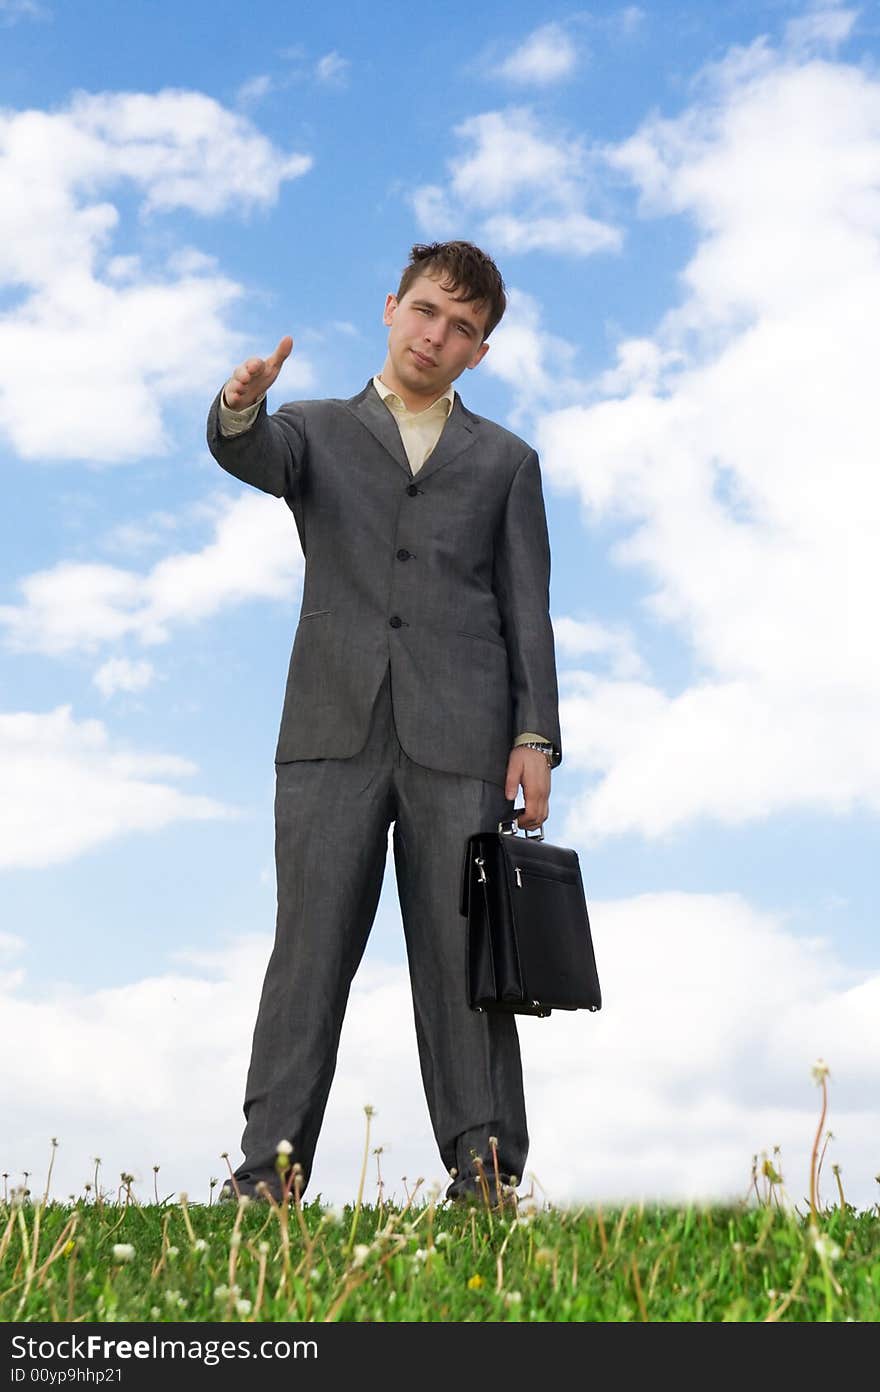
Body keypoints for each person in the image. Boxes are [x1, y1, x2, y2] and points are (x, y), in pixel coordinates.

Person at [207, 240, 562, 1205]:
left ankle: (485, 1173)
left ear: (479, 353)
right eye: (426, 313)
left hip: (465, 738)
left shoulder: (506, 462)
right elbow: (249, 451)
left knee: (465, 961)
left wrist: (534, 739)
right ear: (391, 308)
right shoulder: (313, 428)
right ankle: (267, 1175)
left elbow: (526, 610)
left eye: (463, 330)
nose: (437, 337)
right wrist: (240, 404)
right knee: (309, 951)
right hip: (331, 730)